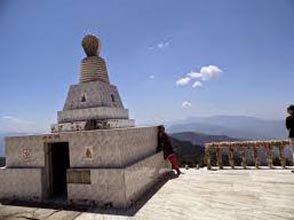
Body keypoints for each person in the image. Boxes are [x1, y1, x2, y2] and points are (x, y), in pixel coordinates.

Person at [286, 105, 294, 173]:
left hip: (292, 136)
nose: (287, 111)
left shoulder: (288, 118)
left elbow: (288, 129)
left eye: (288, 110)